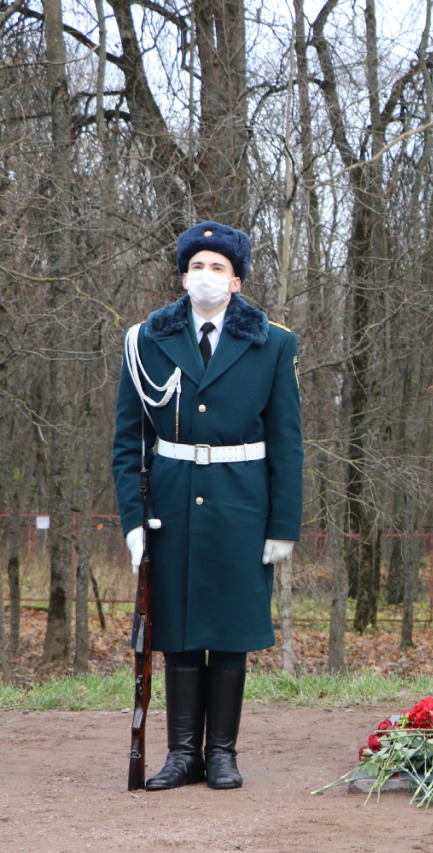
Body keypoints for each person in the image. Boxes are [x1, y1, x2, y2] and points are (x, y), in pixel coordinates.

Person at [112, 221, 303, 790]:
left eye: (218, 267)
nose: (206, 275)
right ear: (182, 276)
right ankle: (181, 755)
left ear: (237, 281)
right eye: (196, 266)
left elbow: (287, 440)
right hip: (171, 503)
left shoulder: (273, 342)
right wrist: (133, 522)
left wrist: (283, 525)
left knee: (229, 628)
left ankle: (221, 753)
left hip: (242, 501)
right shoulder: (145, 340)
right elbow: (128, 442)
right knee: (176, 627)